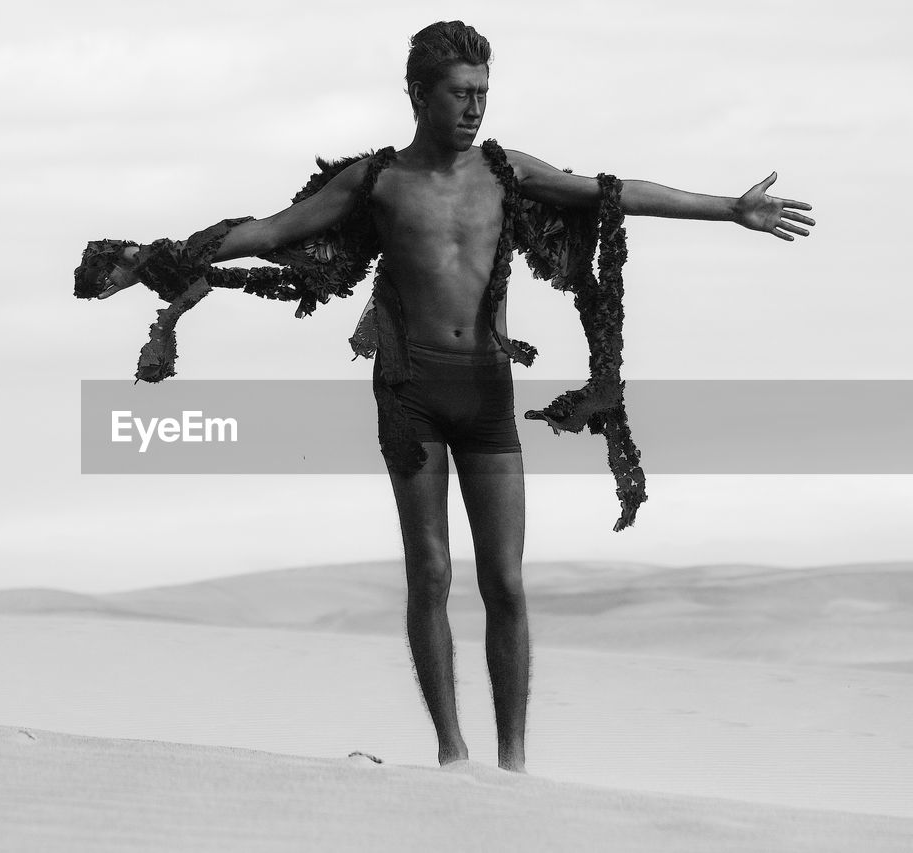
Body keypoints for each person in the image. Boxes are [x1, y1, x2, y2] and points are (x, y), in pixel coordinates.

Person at [89, 21, 813, 773]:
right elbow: (274, 228)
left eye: (484, 94)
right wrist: (157, 260)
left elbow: (611, 193)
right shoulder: (375, 181)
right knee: (430, 572)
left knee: (504, 578)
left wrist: (728, 207)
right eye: (461, 94)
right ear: (418, 95)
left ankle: (514, 761)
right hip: (410, 392)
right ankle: (452, 754)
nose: (475, 108)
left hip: (486, 395)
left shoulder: (504, 171)